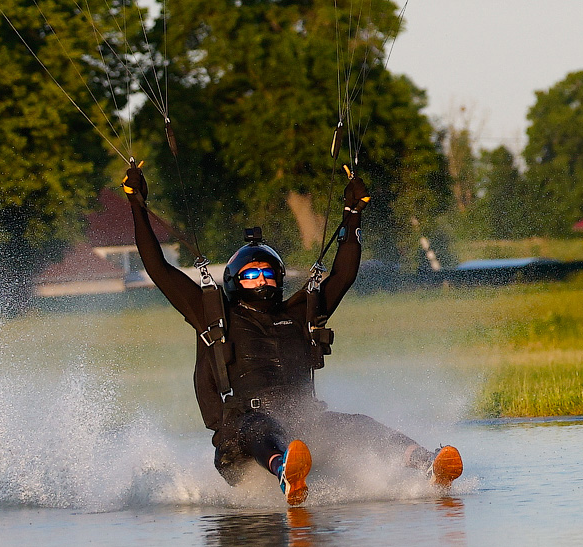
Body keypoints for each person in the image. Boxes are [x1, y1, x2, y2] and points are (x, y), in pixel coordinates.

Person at [122, 165, 463, 505]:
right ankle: (285, 469)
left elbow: (342, 275)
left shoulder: (300, 313)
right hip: (240, 439)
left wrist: (352, 214)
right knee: (261, 426)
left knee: (358, 424)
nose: (262, 280)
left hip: (303, 424)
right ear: (233, 281)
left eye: (268, 273)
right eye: (252, 274)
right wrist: (137, 204)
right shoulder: (214, 314)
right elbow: (159, 268)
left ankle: (427, 463)